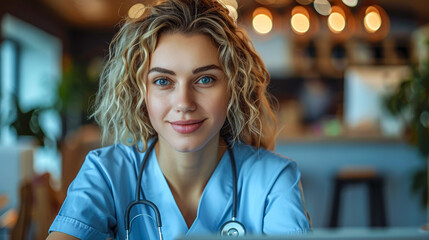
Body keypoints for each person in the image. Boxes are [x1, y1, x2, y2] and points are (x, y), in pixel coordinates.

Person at [47, 0, 311, 239]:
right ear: (140, 93)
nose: (184, 103)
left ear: (233, 87)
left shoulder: (274, 179)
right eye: (163, 81)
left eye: (205, 79)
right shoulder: (106, 173)